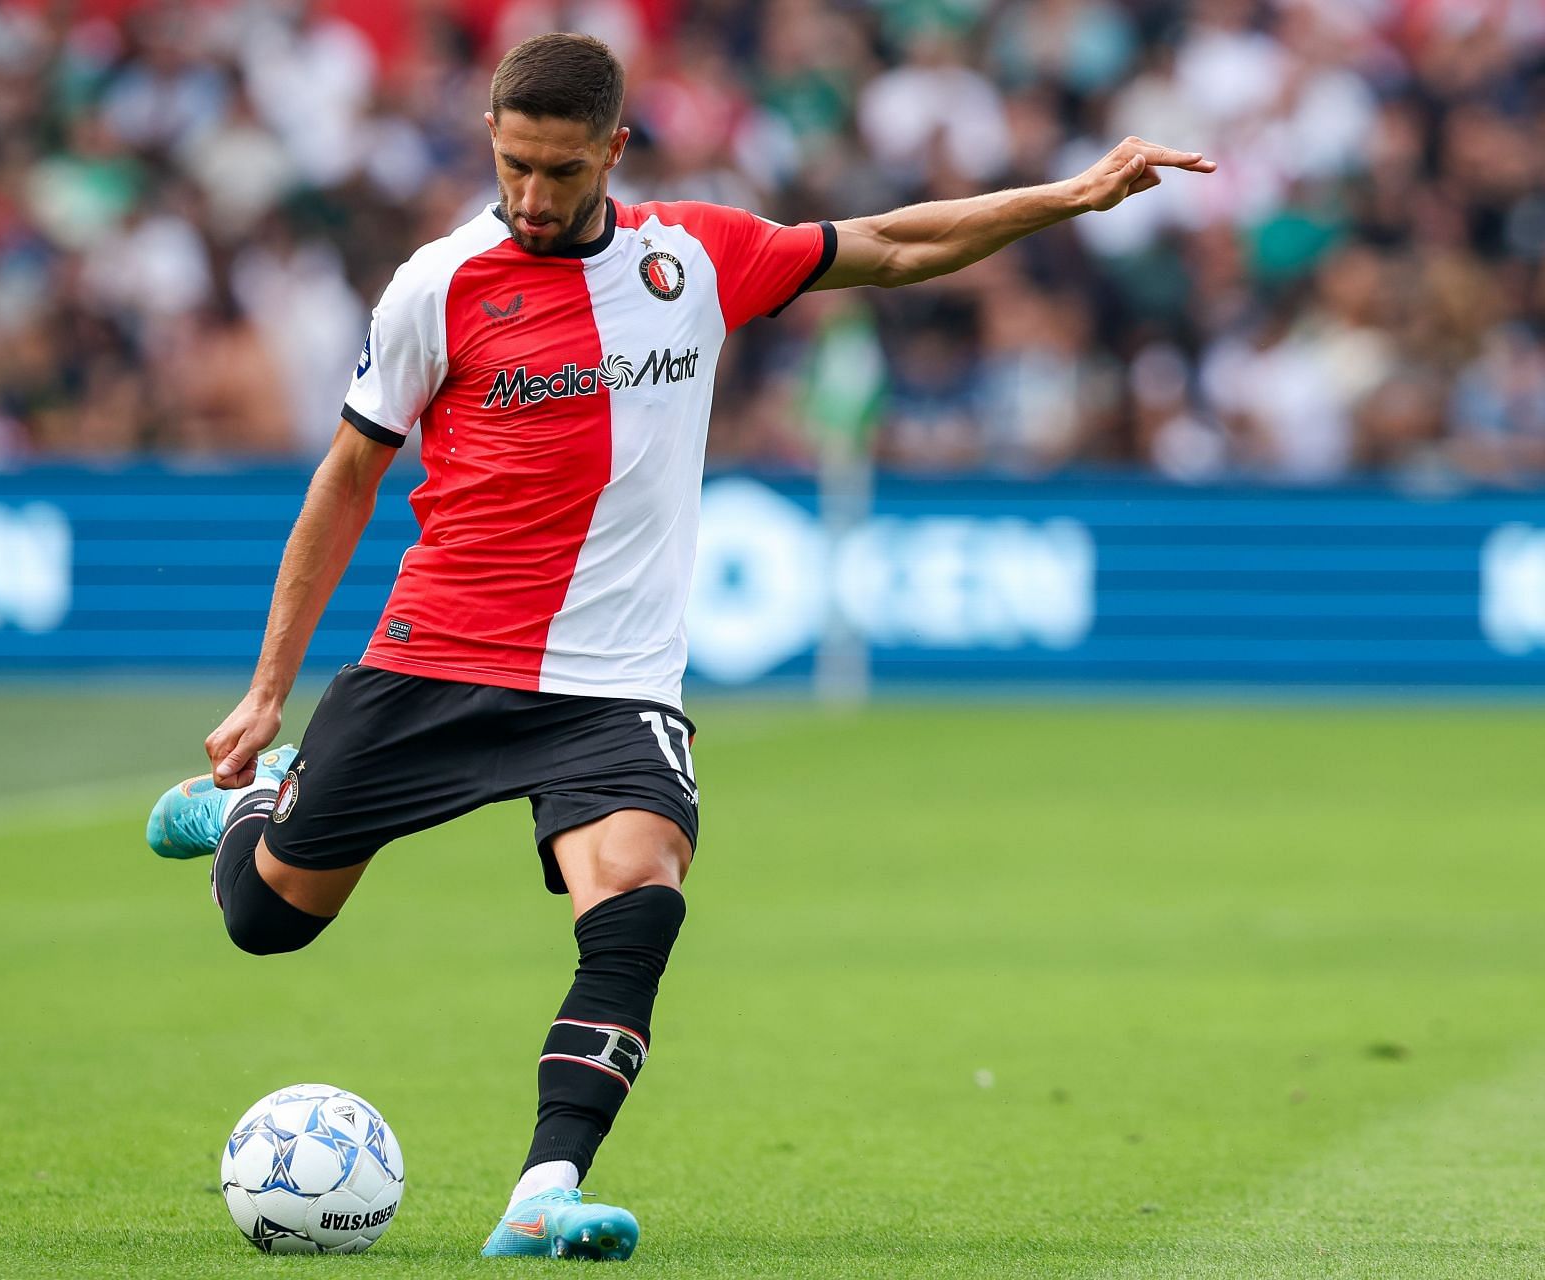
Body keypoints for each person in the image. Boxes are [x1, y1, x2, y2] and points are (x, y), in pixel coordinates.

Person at [144, 31, 1212, 1261]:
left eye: (560, 171)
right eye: (513, 167)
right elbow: (344, 483)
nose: (535, 199)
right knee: (268, 922)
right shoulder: (437, 285)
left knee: (641, 902)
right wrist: (269, 689)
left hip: (612, 684)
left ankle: (544, 1187)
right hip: (438, 655)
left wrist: (1070, 195)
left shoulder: (694, 257)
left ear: (615, 149)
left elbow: (895, 243)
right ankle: (256, 808)